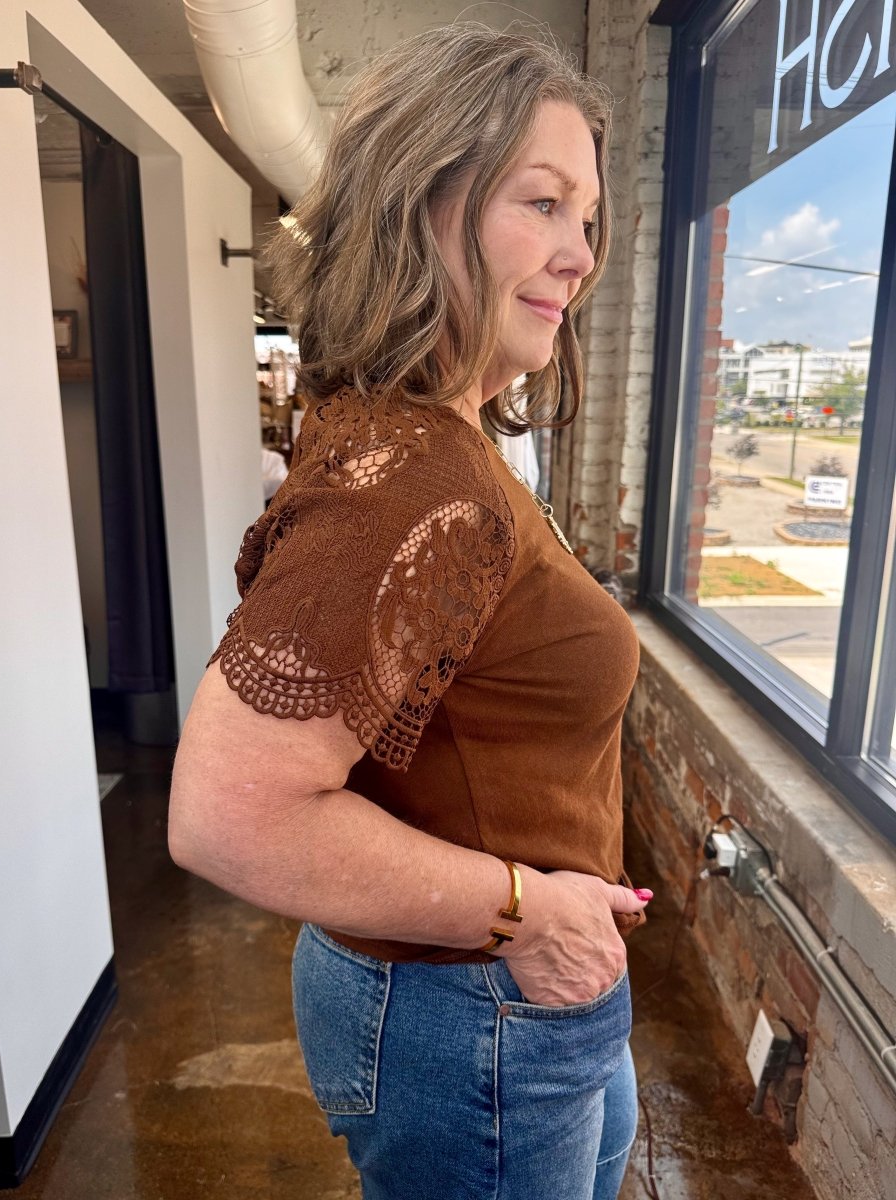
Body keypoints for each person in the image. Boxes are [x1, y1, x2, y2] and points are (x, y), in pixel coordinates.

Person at [169, 20, 653, 1200]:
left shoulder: (444, 438)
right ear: (419, 204)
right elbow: (227, 815)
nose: (579, 253)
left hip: (507, 997)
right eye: (541, 203)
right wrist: (529, 913)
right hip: (474, 1006)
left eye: (586, 217)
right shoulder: (417, 480)